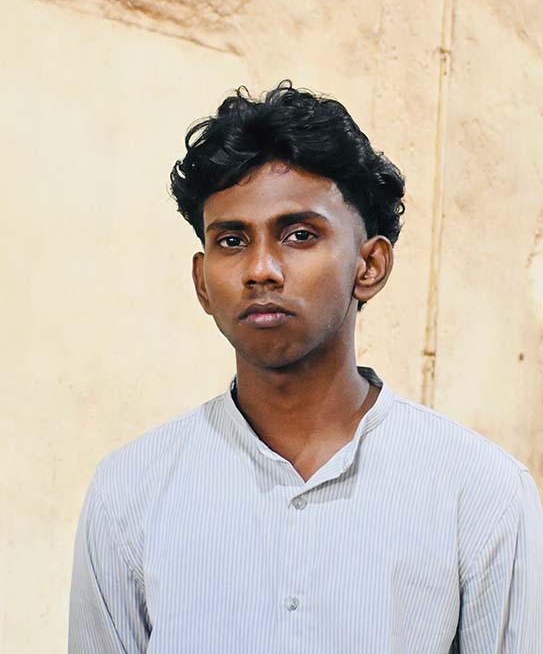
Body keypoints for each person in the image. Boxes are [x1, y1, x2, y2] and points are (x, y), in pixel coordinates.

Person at [68, 81, 543, 653]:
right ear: (202, 282)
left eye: (299, 235)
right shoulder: (130, 492)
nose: (261, 269)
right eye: (232, 241)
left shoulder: (480, 492)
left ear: (369, 265)